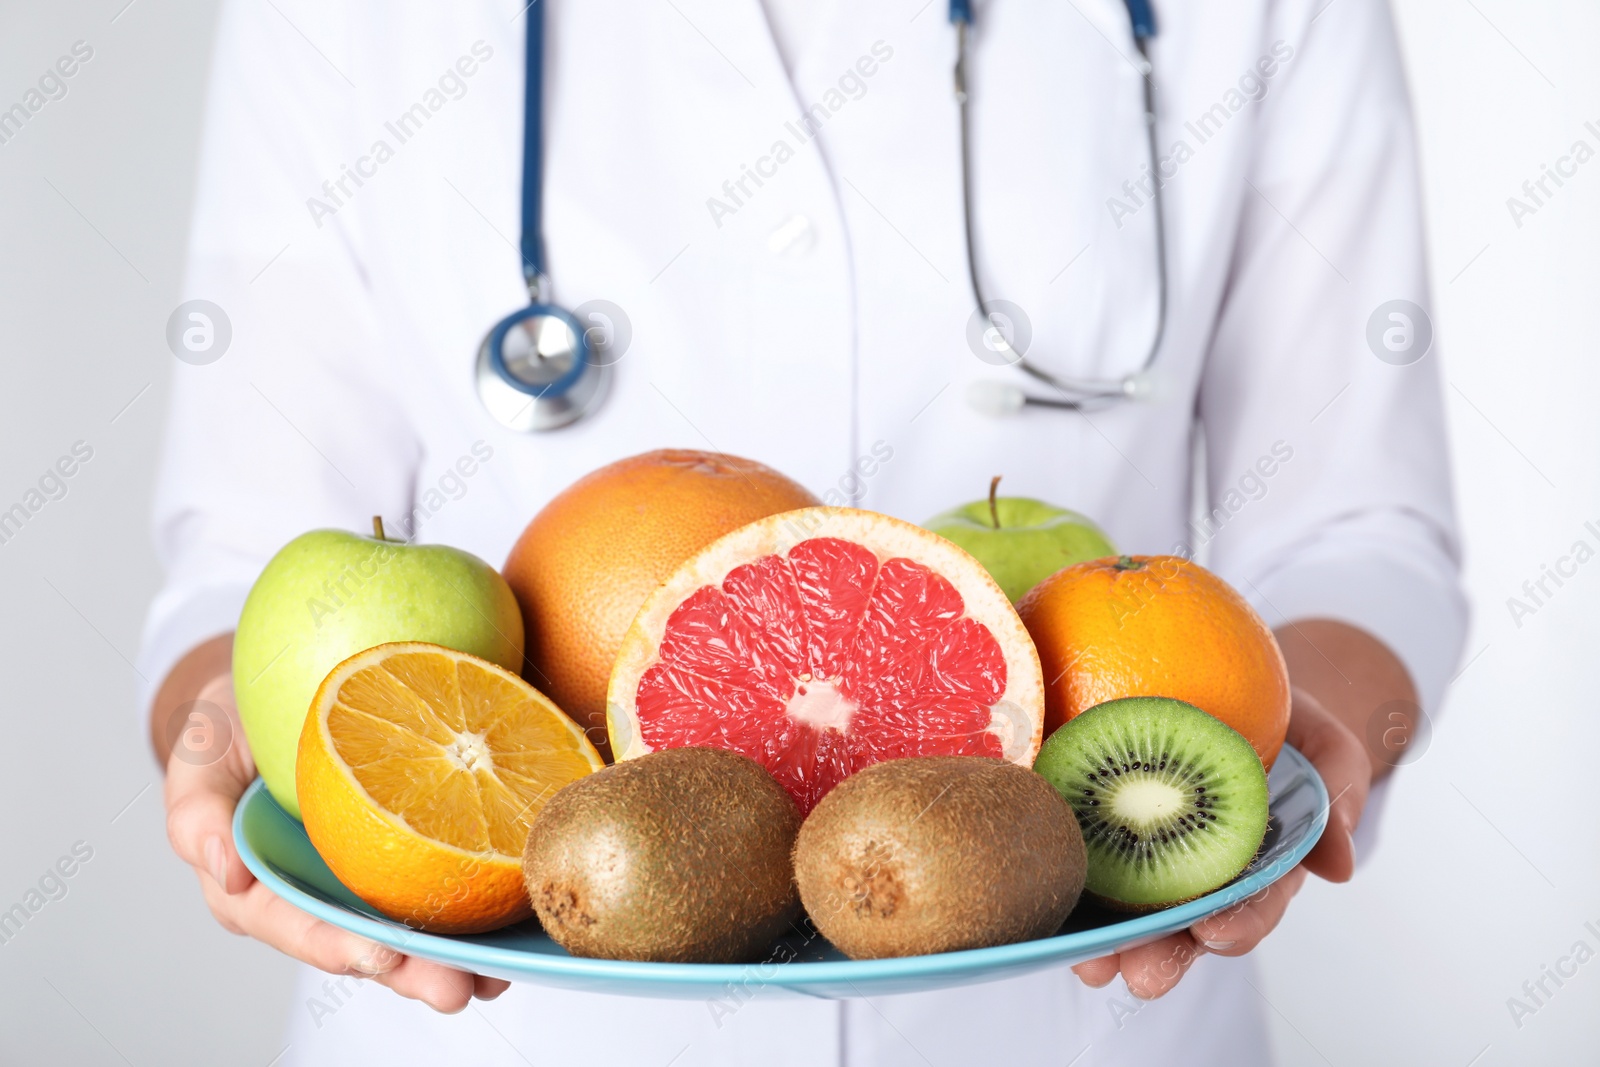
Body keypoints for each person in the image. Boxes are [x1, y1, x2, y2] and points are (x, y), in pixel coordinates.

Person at [143, 0, 1466, 1063]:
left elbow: (1363, 523)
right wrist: (216, 736)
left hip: (1076, 1007)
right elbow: (245, 562)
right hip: (502, 1007)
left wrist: (1313, 745)